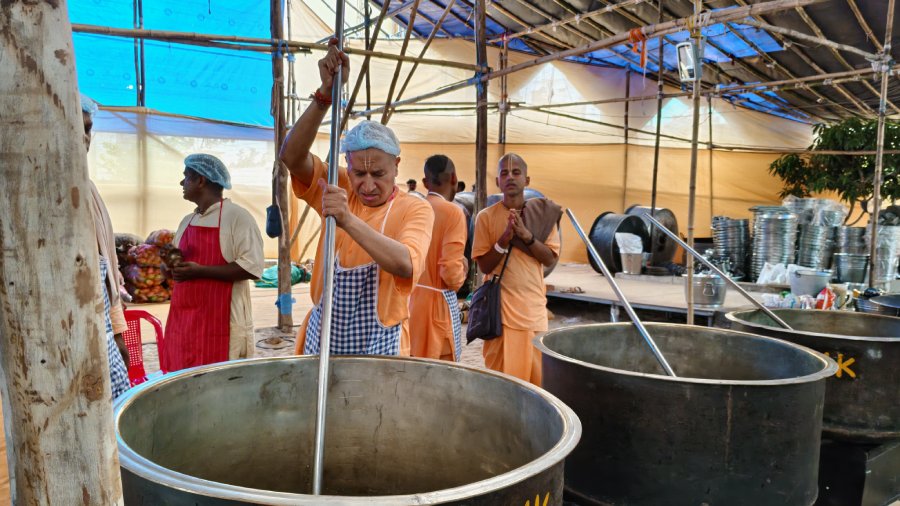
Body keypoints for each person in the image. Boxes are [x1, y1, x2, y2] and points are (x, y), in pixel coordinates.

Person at [280, 39, 434, 357]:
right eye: (358, 173)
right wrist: (324, 95)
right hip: (325, 334)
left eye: (378, 174)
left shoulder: (414, 208)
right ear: (347, 166)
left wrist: (347, 220)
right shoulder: (340, 187)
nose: (366, 185)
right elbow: (292, 157)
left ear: (396, 166)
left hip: (381, 343)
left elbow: (405, 264)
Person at [163, 154, 265, 371]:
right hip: (184, 323)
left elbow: (252, 266)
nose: (182, 183)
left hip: (221, 324)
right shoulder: (187, 220)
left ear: (201, 181)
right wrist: (170, 265)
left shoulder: (237, 217)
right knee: (183, 380)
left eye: (186, 177)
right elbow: (175, 264)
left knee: (220, 383)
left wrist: (201, 271)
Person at [472, 153, 562, 385]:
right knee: (502, 385)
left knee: (537, 384)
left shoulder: (542, 216)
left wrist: (526, 236)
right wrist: (503, 241)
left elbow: (550, 258)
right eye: (504, 173)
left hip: (532, 311)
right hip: (499, 314)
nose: (510, 177)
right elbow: (483, 265)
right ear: (497, 182)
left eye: (516, 172)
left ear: (527, 180)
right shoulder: (486, 217)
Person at [81, 94, 130, 399]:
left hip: (99, 328)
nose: (85, 137)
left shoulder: (89, 189)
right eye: (79, 128)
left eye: (88, 129)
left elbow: (106, 266)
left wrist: (119, 329)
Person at [408, 155, 468, 361]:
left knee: (412, 363)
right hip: (437, 308)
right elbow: (450, 272)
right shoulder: (453, 212)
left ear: (425, 182)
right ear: (454, 179)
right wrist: (463, 271)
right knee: (440, 373)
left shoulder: (413, 208)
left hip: (411, 303)